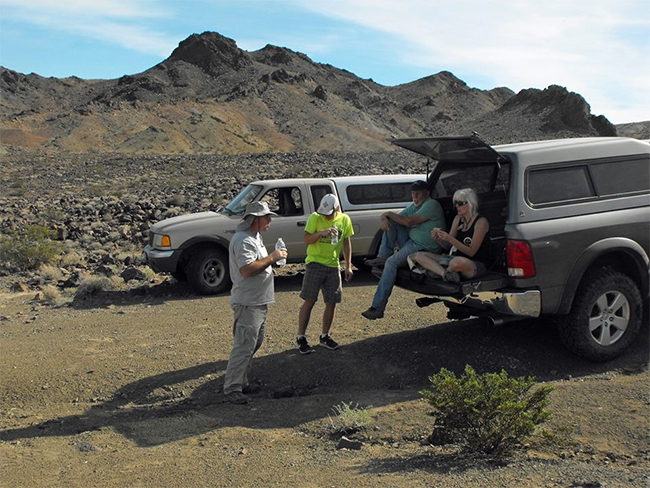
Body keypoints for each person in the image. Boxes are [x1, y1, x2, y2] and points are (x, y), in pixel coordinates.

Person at [223, 201, 288, 404]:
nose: (269, 221)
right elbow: (247, 269)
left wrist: (272, 260)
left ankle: (241, 382)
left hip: (257, 301)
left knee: (252, 343)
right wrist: (272, 257)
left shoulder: (254, 237)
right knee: (244, 345)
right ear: (256, 219)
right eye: (266, 217)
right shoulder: (244, 240)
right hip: (248, 303)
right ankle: (233, 387)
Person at [361, 180, 445, 320]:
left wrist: (387, 213)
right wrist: (384, 216)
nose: (415, 196)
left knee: (391, 263)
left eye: (418, 193)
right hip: (412, 242)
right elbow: (396, 217)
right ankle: (383, 255)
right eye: (413, 193)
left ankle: (377, 307)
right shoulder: (415, 206)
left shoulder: (432, 204)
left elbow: (408, 221)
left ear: (427, 193)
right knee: (392, 220)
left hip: (424, 247)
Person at [296, 193, 354, 354]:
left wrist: (348, 265)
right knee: (310, 300)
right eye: (324, 213)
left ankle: (325, 336)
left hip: (333, 265)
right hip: (314, 263)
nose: (326, 217)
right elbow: (306, 240)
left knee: (331, 301)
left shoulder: (344, 220)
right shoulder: (315, 217)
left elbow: (347, 243)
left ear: (336, 208)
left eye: (329, 214)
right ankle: (301, 337)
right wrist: (320, 233)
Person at [410, 188, 492, 282]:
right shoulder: (458, 219)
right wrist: (439, 239)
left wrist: (450, 239)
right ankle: (445, 274)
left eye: (460, 203)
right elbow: (448, 246)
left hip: (474, 264)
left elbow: (471, 252)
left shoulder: (481, 222)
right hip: (453, 258)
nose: (457, 206)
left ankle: (438, 272)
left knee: (456, 262)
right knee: (418, 256)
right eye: (455, 203)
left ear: (470, 203)